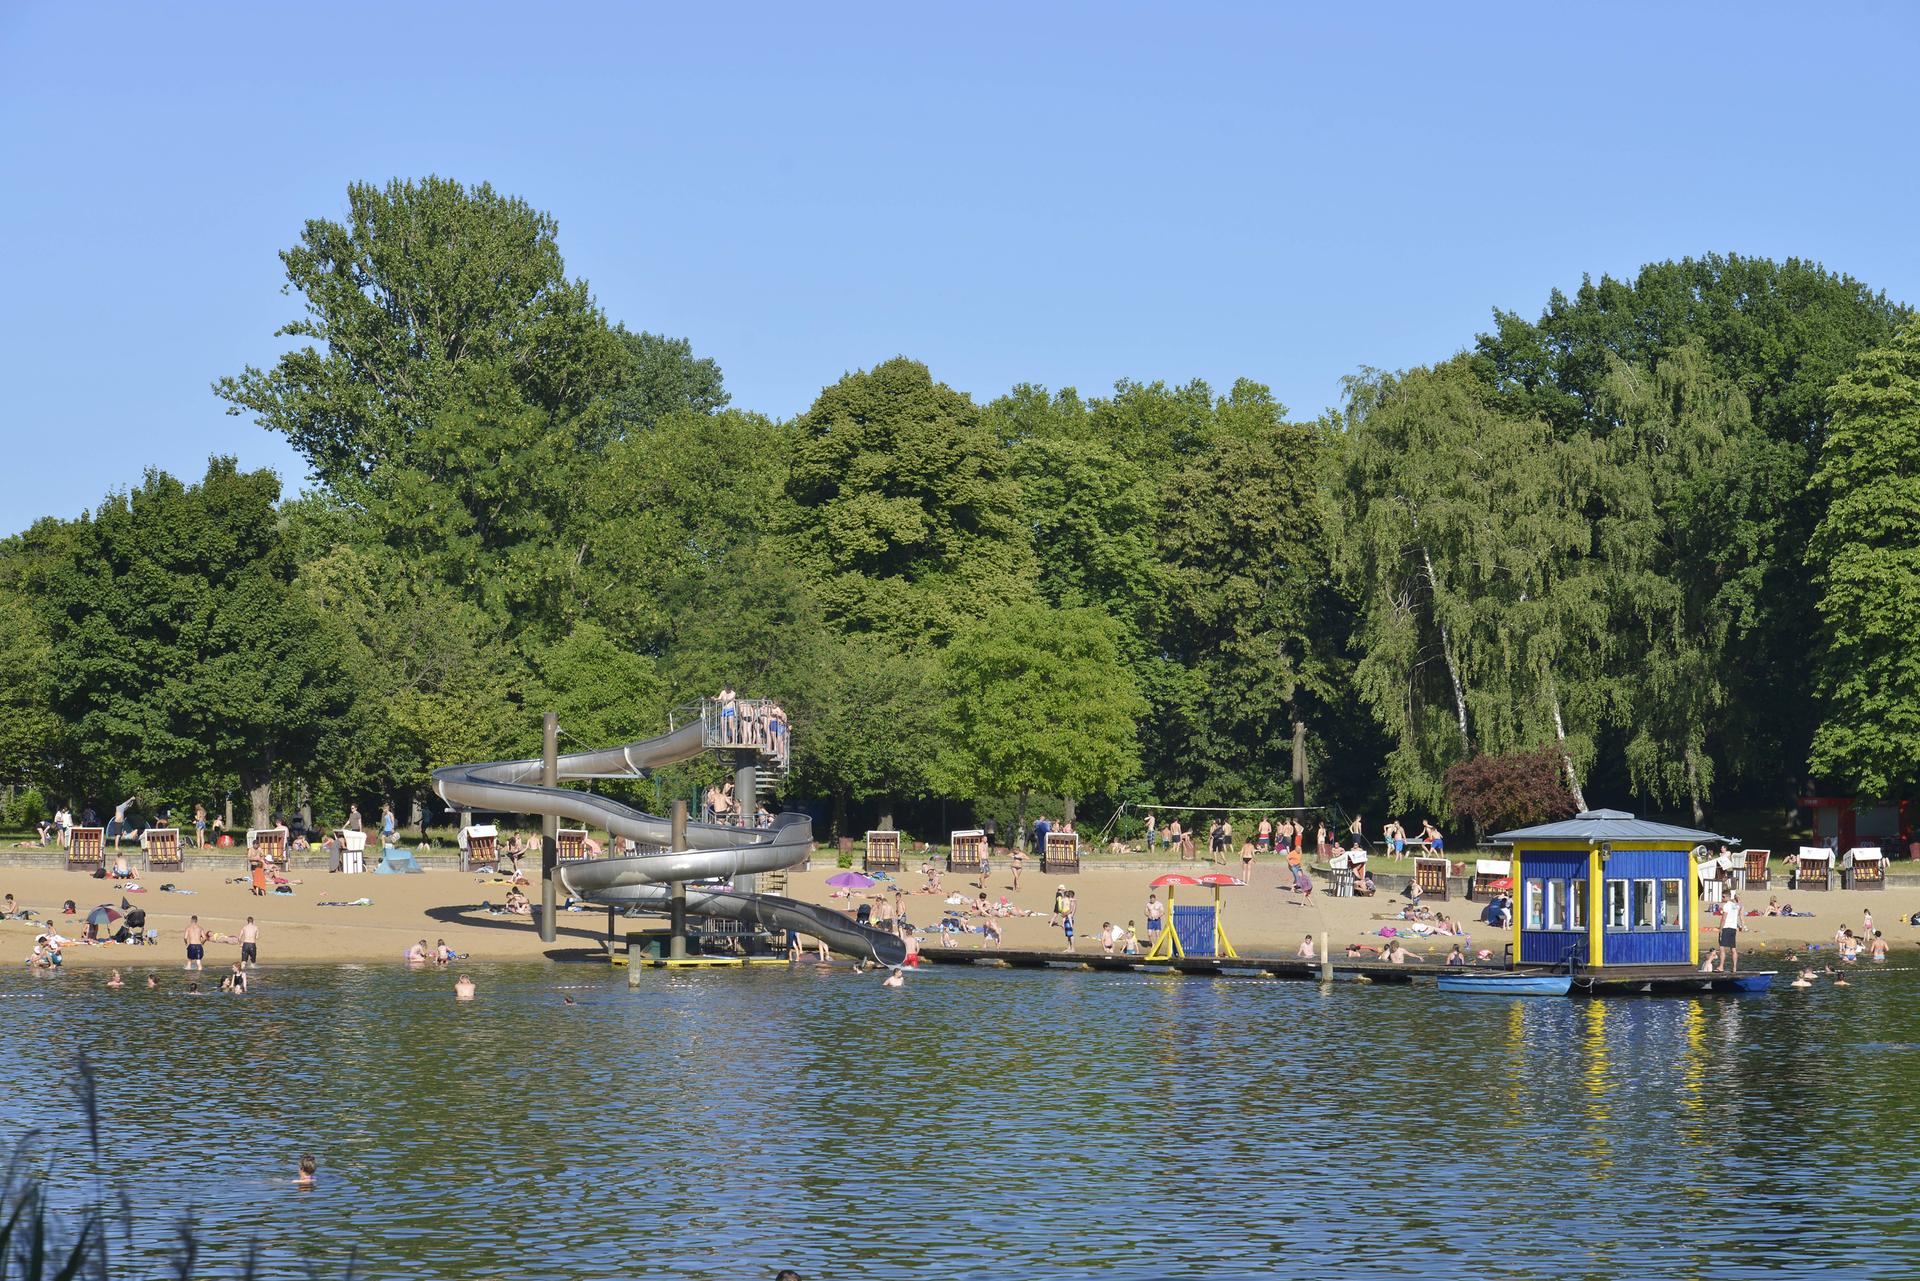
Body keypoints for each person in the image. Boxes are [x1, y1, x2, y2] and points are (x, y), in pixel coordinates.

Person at [1717, 889, 1743, 973]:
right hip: (1733, 928)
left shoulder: (1727, 905)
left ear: (1726, 896)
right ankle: (1734, 968)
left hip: (1726, 927)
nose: (1722, 898)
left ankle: (1721, 966)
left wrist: (1720, 929)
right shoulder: (1735, 906)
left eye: (1723, 896)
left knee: (1722, 947)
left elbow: (1723, 918)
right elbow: (1739, 911)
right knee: (1733, 948)